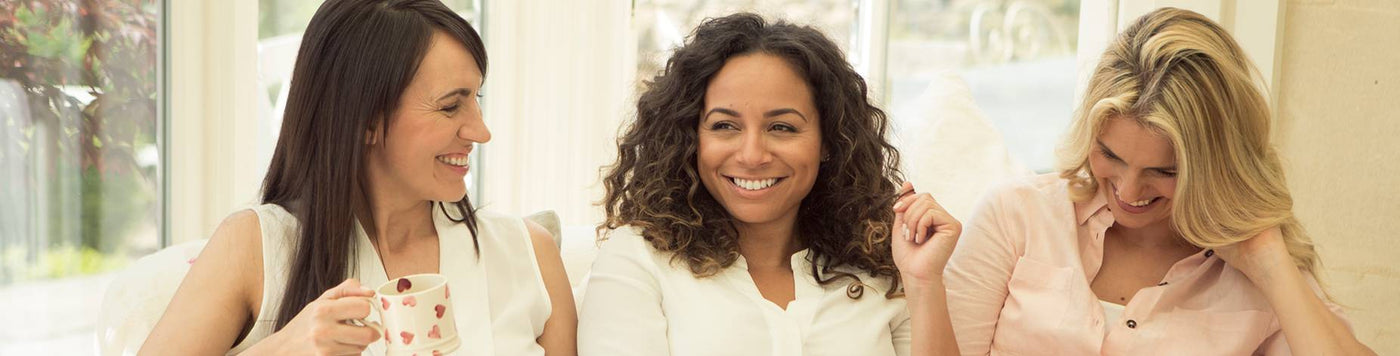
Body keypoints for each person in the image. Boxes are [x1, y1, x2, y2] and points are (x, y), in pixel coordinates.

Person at [139, 0, 576, 354]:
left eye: (476, 99)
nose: (481, 132)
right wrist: (283, 348)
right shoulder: (257, 247)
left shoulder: (529, 254)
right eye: (450, 106)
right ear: (365, 119)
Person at [943, 7, 1375, 355]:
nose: (1129, 192)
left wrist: (1269, 261)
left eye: (1164, 172)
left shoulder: (1257, 272)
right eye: (1110, 155)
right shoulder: (1016, 216)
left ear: (1218, 165)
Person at [579, 13, 960, 356]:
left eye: (782, 127)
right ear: (690, 138)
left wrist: (924, 283)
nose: (752, 154)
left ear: (829, 142)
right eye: (725, 126)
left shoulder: (880, 267)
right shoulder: (638, 259)